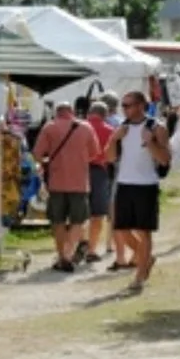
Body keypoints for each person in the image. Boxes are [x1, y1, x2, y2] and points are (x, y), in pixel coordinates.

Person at [111, 90, 172, 291]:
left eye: (128, 105)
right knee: (120, 229)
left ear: (140, 106)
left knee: (144, 231)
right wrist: (113, 139)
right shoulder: (123, 127)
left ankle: (140, 275)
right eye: (123, 105)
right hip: (125, 182)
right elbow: (109, 158)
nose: (124, 109)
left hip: (146, 184)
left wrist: (150, 142)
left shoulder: (156, 127)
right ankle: (146, 258)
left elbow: (165, 159)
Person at [32, 100, 102, 272]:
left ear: (57, 112)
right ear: (72, 111)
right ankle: (68, 254)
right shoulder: (86, 127)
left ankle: (62, 256)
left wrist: (47, 162)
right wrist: (79, 160)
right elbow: (95, 153)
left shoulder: (49, 127)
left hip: (56, 182)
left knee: (58, 221)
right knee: (78, 220)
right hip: (79, 182)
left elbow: (37, 154)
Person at [82, 97, 117, 263]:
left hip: (78, 171)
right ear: (106, 115)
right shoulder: (110, 130)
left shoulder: (78, 128)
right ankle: (92, 249)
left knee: (78, 212)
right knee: (98, 212)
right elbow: (113, 156)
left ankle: (76, 245)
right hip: (99, 172)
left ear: (89, 113)